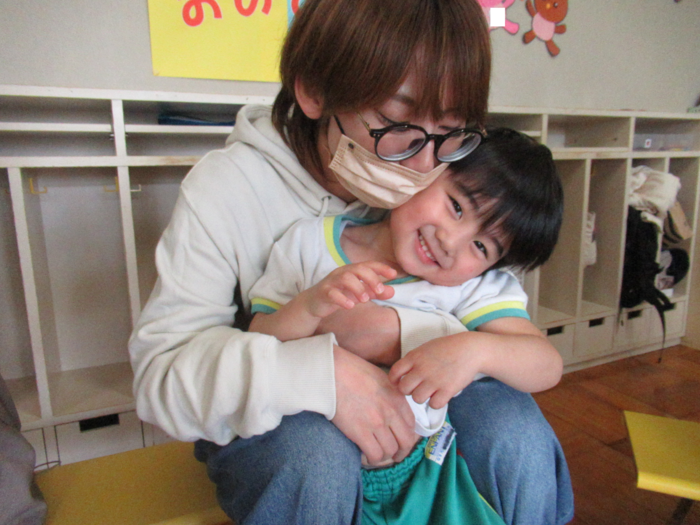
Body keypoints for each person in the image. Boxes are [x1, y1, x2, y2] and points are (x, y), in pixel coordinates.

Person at [128, 1, 574, 524]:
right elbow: (162, 380)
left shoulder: (449, 182)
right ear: (315, 90)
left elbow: (519, 343)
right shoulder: (232, 193)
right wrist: (324, 373)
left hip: (420, 416)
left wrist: (405, 336)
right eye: (394, 121)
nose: (423, 164)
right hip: (284, 417)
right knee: (312, 458)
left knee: (516, 432)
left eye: (449, 131)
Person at [247, 128, 565, 524]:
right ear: (427, 171)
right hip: (326, 463)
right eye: (456, 207)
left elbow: (546, 364)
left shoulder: (470, 286)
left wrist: (475, 349)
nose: (451, 241)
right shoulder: (307, 244)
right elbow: (260, 340)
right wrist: (309, 306)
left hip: (426, 476)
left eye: (482, 247)